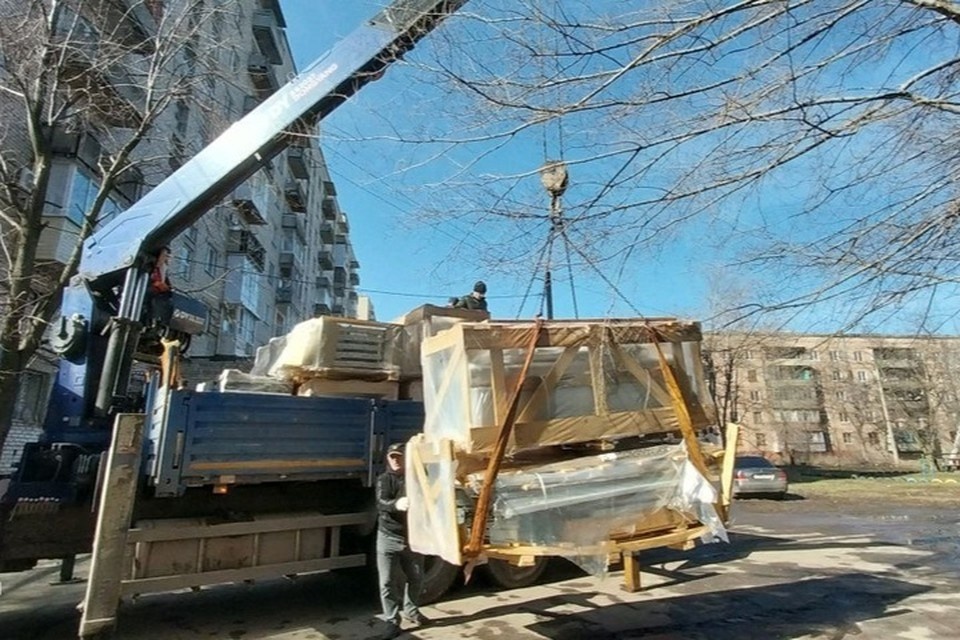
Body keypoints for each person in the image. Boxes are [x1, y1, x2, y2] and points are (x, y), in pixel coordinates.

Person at [375, 442, 428, 638]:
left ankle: (412, 611)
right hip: (388, 536)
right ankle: (392, 621)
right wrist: (395, 504)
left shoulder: (416, 479)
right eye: (392, 457)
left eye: (399, 457)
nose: (396, 460)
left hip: (412, 538)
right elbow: (380, 502)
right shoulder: (384, 480)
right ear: (388, 459)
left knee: (416, 577)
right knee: (387, 582)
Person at [146, 246, 174, 327]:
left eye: (167, 256)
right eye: (165, 255)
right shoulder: (152, 264)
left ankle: (161, 323)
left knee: (168, 303)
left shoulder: (163, 268)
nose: (166, 258)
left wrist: (169, 286)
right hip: (149, 289)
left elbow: (165, 280)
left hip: (158, 292)